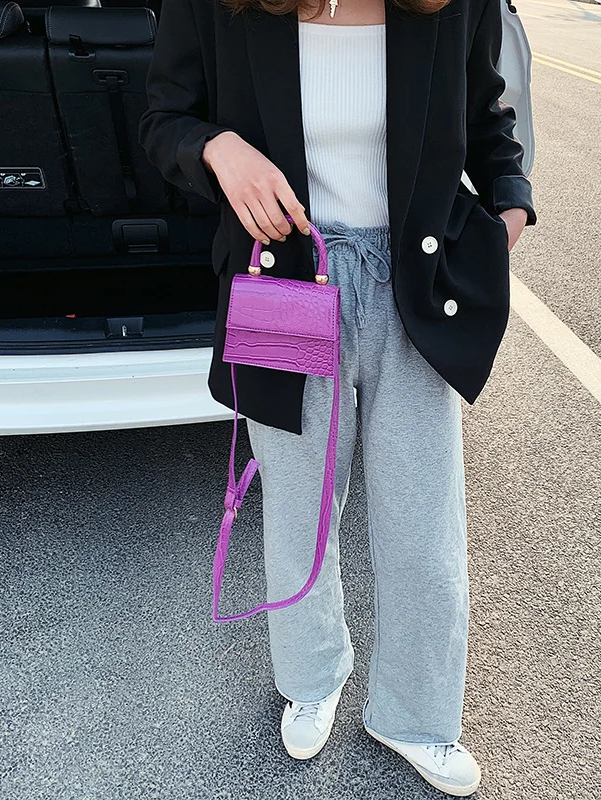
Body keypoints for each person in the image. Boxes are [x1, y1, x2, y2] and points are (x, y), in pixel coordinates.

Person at [139, 0, 536, 792]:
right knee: (300, 508)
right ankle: (311, 680)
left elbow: (489, 116)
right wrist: (218, 148)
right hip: (284, 283)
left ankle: (416, 716)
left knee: (423, 521)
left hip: (414, 285)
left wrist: (511, 204)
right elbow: (162, 121)